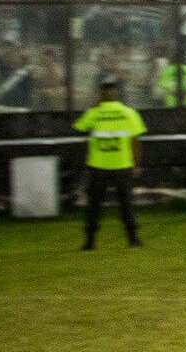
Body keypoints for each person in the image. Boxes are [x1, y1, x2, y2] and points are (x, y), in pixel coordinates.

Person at [73, 77, 146, 250]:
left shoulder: (94, 113)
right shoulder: (128, 113)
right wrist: (137, 165)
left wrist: (94, 105)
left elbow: (79, 127)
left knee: (94, 206)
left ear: (101, 94)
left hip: (98, 167)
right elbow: (136, 141)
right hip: (122, 166)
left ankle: (90, 242)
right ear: (116, 94)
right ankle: (133, 239)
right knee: (126, 205)